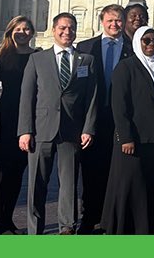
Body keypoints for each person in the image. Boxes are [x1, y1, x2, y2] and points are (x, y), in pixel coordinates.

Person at [19, 13, 99, 235]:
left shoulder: (86, 60)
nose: (67, 32)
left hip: (72, 130)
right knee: (37, 184)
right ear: (53, 30)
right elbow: (27, 97)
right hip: (42, 128)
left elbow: (92, 97)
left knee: (69, 183)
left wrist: (88, 128)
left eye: (71, 28)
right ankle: (35, 229)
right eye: (62, 28)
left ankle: (67, 226)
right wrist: (25, 131)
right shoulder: (37, 59)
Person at [102, 27, 154, 234]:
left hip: (151, 138)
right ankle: (120, 225)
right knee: (126, 184)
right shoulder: (126, 67)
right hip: (131, 138)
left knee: (145, 183)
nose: (151, 44)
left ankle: (143, 224)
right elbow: (119, 105)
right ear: (137, 43)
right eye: (146, 41)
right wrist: (125, 137)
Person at [76, 4, 133, 234]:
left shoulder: (133, 48)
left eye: (118, 20)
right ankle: (89, 216)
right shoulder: (85, 47)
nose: (114, 24)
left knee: (116, 169)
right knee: (90, 169)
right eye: (110, 20)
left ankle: (111, 217)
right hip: (92, 117)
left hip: (121, 117)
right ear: (101, 21)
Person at [0, 16, 38, 234]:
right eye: (18, 28)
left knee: (18, 170)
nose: (23, 32)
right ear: (10, 31)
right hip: (7, 116)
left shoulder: (38, 56)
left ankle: (8, 220)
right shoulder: (1, 56)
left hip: (30, 117)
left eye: (27, 29)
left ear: (32, 32)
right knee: (4, 170)